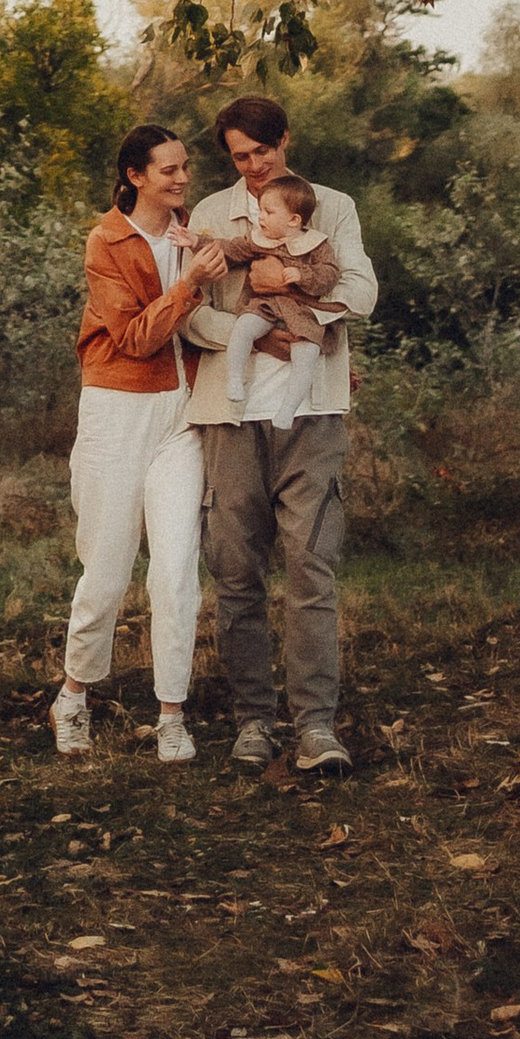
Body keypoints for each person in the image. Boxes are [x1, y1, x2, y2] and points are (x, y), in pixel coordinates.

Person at [183, 92, 378, 775]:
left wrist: (292, 282)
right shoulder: (210, 215)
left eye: (264, 152)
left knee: (310, 565)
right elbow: (189, 312)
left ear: (285, 141)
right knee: (236, 570)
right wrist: (246, 337)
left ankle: (316, 726)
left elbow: (361, 291)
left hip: (313, 410)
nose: (256, 168)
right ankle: (252, 721)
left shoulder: (332, 206)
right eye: (241, 157)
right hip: (231, 414)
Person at [53, 124, 228, 763]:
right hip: (116, 411)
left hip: (180, 414)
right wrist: (191, 285)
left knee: (178, 570)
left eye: (185, 168)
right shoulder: (107, 241)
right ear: (135, 176)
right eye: (168, 171)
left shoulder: (194, 234)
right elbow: (132, 340)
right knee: (105, 570)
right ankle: (73, 696)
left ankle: (172, 715)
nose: (182, 180)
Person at [214, 172, 343, 428]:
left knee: (306, 354)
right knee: (243, 327)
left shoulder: (317, 245)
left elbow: (329, 275)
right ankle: (234, 379)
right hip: (267, 307)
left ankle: (287, 408)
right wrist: (196, 241)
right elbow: (231, 247)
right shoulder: (260, 240)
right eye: (260, 211)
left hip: (303, 312)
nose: (260, 217)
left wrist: (302, 274)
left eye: (268, 212)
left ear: (294, 220)